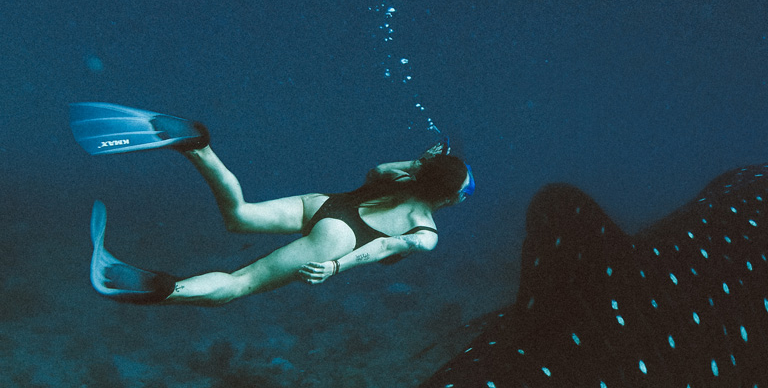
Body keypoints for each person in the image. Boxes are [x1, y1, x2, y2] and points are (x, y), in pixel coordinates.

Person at [73, 102, 474, 306]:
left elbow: (375, 170)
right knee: (239, 284)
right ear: (451, 198)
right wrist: (336, 266)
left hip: (325, 203)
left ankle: (199, 147)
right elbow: (385, 245)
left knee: (240, 214)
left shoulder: (399, 176)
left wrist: (421, 162)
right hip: (337, 239)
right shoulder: (426, 230)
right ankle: (168, 288)